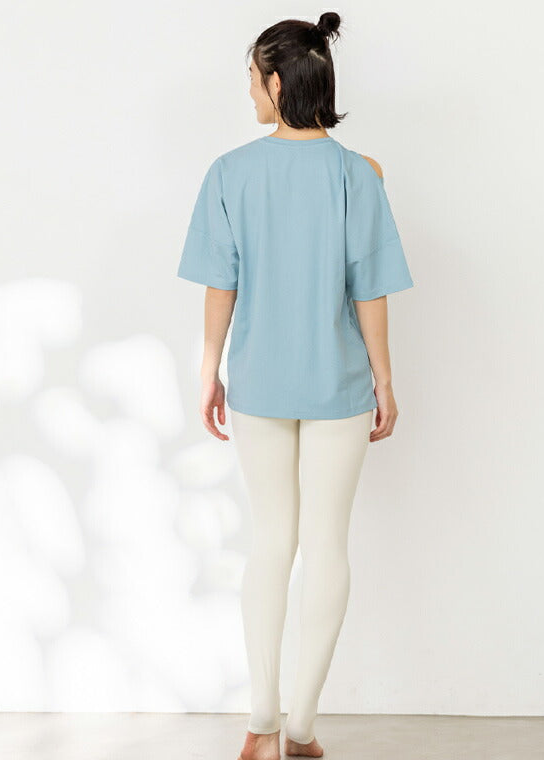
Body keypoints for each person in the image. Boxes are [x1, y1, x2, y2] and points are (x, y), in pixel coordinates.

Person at [177, 12, 414, 760]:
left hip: (258, 383)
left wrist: (210, 370)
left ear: (278, 83)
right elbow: (370, 289)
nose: (249, 89)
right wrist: (384, 380)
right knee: (327, 543)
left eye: (253, 77)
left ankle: (261, 723)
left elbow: (220, 284)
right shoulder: (358, 174)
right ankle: (302, 728)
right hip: (338, 384)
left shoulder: (229, 173)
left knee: (270, 541)